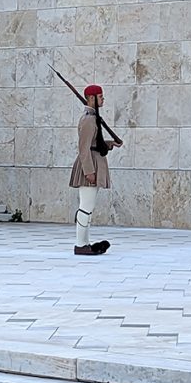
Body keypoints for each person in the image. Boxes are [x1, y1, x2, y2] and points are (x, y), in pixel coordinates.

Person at [69, 84, 122, 255]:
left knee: (88, 207)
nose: (103, 99)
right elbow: (84, 148)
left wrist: (109, 144)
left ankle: (85, 243)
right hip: (89, 165)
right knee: (86, 206)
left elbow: (94, 143)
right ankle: (80, 244)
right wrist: (89, 171)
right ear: (91, 98)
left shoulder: (93, 118)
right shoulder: (88, 120)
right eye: (100, 96)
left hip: (93, 162)